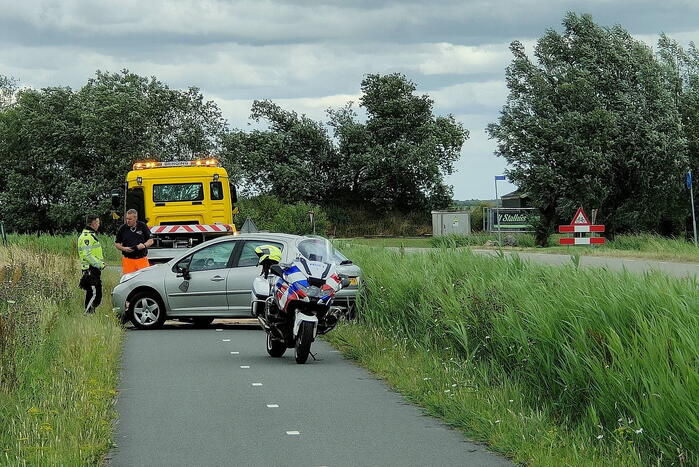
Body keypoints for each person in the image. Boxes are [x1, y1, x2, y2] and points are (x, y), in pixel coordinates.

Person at [78, 214, 105, 314]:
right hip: (90, 269)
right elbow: (87, 255)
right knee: (94, 294)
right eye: (97, 222)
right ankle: (87, 314)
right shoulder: (87, 237)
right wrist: (100, 264)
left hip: (94, 269)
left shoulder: (91, 235)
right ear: (93, 223)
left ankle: (90, 313)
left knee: (96, 293)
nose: (99, 224)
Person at [115, 209, 154, 274]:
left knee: (144, 277)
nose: (128, 221)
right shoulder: (123, 228)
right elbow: (117, 243)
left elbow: (151, 240)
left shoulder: (142, 226)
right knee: (129, 278)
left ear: (135, 218)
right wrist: (124, 248)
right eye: (127, 219)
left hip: (141, 259)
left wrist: (144, 245)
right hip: (128, 260)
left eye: (130, 219)